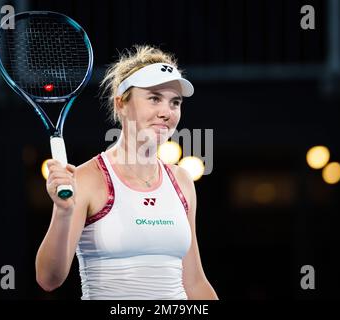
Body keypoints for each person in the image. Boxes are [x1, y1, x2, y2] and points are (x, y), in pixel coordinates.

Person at [35, 45, 219, 300]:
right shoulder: (86, 179)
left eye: (174, 102)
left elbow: (195, 282)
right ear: (121, 104)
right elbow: (49, 279)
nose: (166, 112)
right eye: (154, 98)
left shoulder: (182, 180)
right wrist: (63, 211)